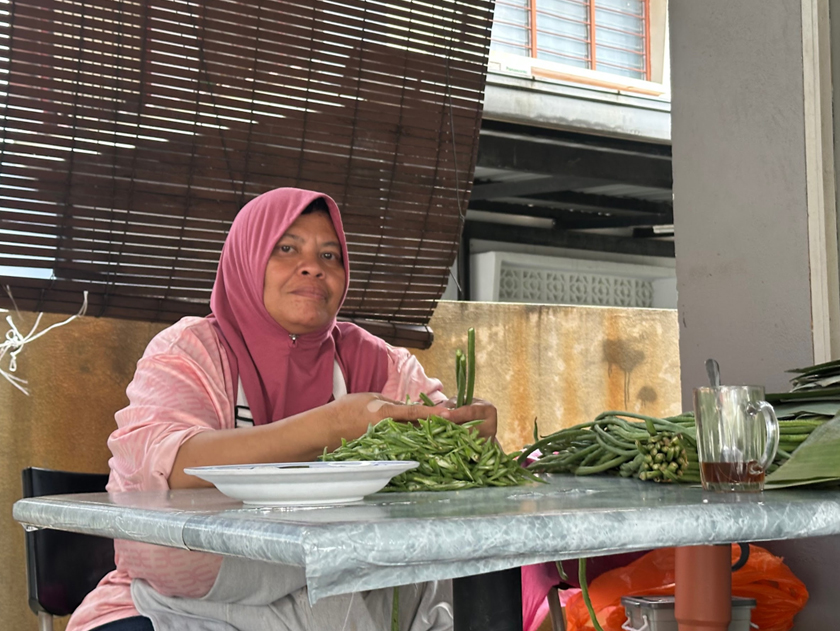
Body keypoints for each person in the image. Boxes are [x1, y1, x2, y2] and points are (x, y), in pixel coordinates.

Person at [68, 188, 498, 631]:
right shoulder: (190, 351)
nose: (313, 266)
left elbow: (449, 445)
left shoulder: (377, 362)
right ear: (246, 259)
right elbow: (169, 465)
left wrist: (471, 433)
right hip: (179, 604)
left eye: (330, 256)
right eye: (287, 248)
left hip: (338, 593)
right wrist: (329, 427)